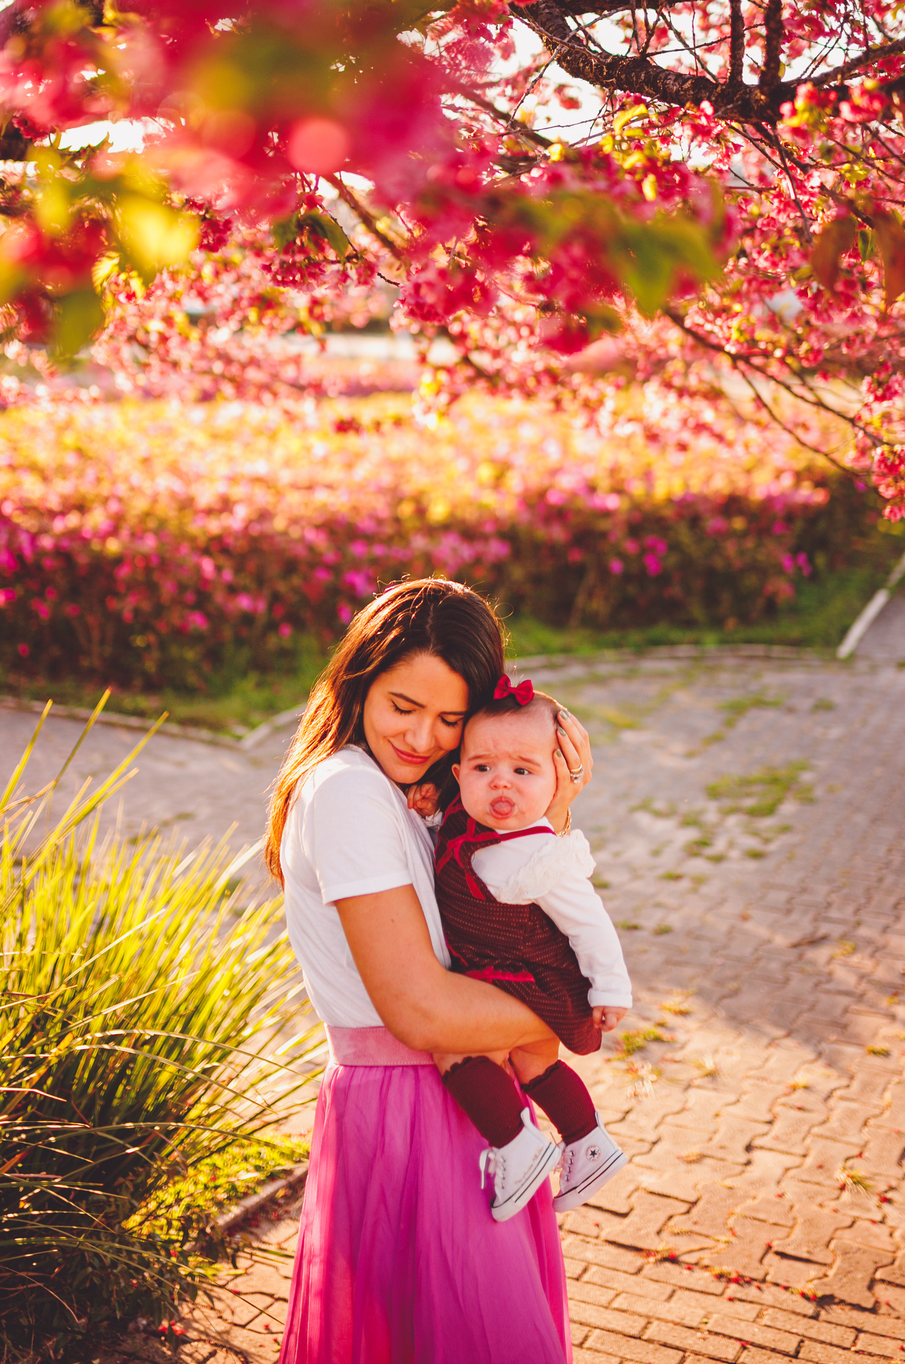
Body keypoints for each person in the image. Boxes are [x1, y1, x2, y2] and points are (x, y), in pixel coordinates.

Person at [265, 579, 596, 1364]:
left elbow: (501, 928)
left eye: (451, 720)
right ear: (358, 681)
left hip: (455, 1101)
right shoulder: (347, 790)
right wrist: (570, 1012)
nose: (422, 736)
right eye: (402, 706)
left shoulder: (405, 792)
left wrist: (557, 805)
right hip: (411, 1111)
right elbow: (419, 1009)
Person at [419, 677, 632, 1222]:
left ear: (556, 779)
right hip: (498, 970)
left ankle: (518, 1145)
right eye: (483, 767)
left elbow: (590, 923)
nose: (501, 785)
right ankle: (589, 1142)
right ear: (459, 774)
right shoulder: (470, 822)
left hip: (533, 976)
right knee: (532, 1062)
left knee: (454, 1048)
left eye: (523, 770)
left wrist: (610, 988)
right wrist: (428, 808)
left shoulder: (540, 853)